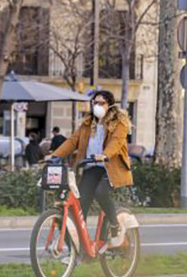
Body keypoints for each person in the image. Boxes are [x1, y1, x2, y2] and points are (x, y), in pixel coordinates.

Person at [47, 90, 133, 247]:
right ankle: (79, 248)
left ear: (110, 105)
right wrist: (55, 156)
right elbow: (72, 141)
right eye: (95, 103)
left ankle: (115, 226)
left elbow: (116, 142)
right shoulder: (87, 124)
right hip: (91, 167)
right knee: (80, 206)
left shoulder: (119, 123)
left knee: (101, 192)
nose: (97, 106)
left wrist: (105, 155)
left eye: (101, 103)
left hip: (111, 168)